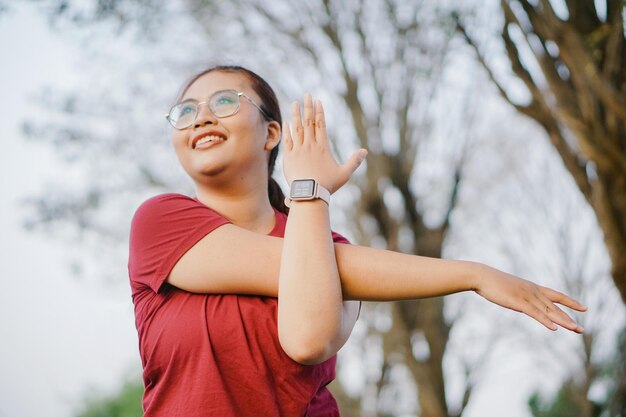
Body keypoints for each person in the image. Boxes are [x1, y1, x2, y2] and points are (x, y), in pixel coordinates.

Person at [128, 65, 587, 417]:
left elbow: (308, 340)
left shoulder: (329, 244)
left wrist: (309, 196)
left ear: (272, 133)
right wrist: (472, 274)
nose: (201, 117)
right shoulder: (160, 223)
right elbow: (303, 267)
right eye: (186, 111)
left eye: (225, 101)